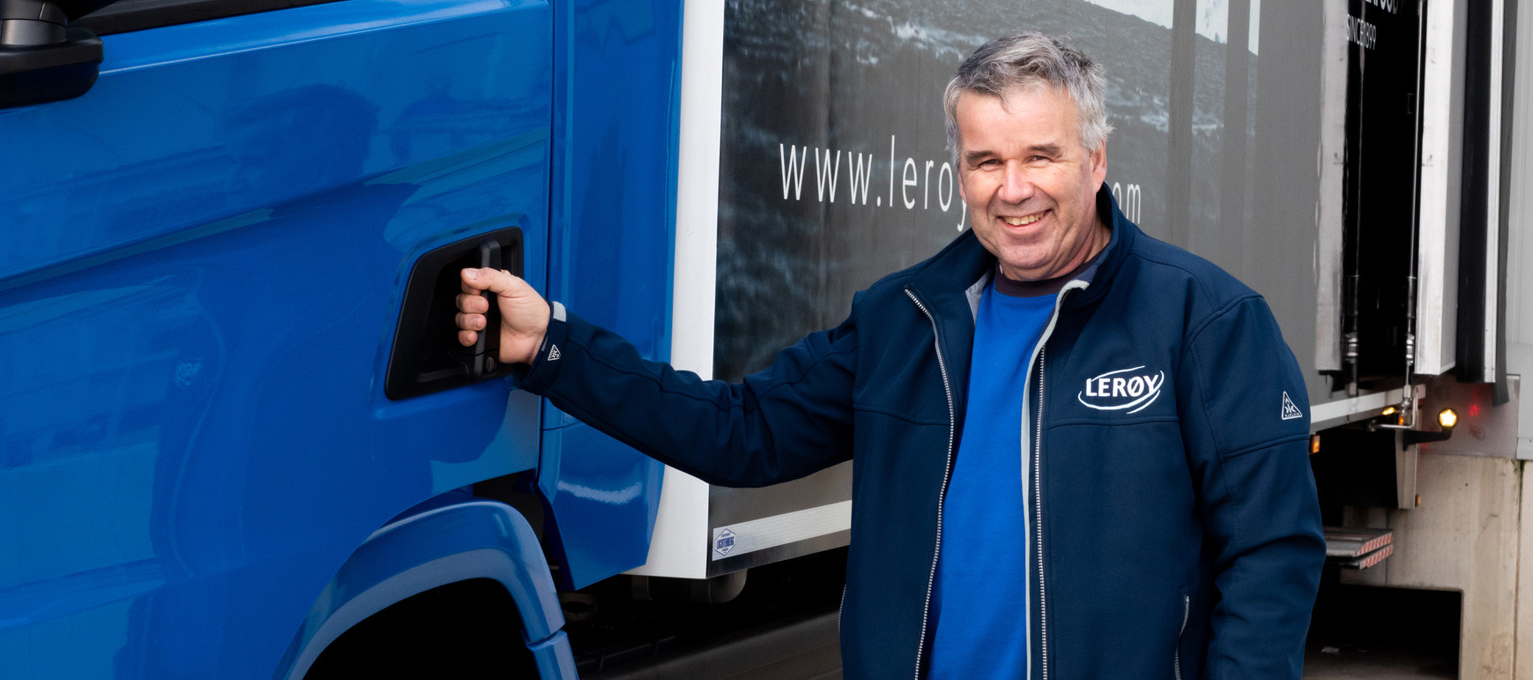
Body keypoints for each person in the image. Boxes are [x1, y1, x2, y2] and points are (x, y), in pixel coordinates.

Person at [456, 32, 1323, 680]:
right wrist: (555, 346)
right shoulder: (906, 319)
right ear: (959, 170)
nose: (1012, 189)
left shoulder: (1204, 322)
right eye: (986, 161)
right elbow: (739, 433)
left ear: (1095, 163)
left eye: (1040, 157)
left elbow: (1272, 551)